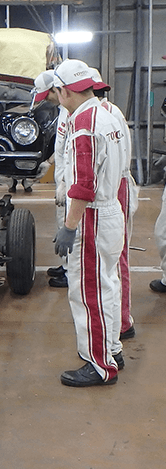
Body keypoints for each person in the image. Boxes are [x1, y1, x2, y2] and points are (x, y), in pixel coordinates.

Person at [52, 59, 127, 387]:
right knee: (107, 285)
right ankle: (112, 349)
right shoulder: (107, 115)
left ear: (64, 91)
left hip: (92, 217)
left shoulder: (83, 124)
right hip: (111, 211)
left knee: (87, 294)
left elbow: (83, 186)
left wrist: (69, 226)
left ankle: (99, 366)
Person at [89, 68, 136, 341]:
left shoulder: (105, 115)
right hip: (113, 184)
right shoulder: (105, 112)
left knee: (118, 258)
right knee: (111, 260)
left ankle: (123, 321)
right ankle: (118, 320)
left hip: (116, 185)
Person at [32, 70, 70, 288]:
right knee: (61, 222)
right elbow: (62, 146)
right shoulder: (62, 111)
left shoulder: (74, 112)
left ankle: (72, 273)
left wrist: (65, 183)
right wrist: (49, 162)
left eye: (47, 95)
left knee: (71, 227)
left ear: (57, 89)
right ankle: (66, 265)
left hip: (70, 181)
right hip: (62, 178)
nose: (47, 100)